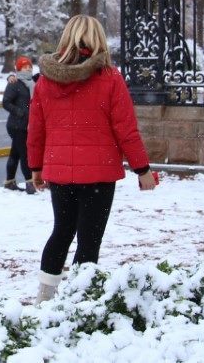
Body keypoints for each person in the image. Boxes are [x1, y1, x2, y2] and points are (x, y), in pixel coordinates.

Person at [26, 15, 157, 303]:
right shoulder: (110, 78)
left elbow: (36, 129)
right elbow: (126, 129)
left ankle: (45, 297)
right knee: (89, 239)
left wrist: (36, 167)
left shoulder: (46, 81)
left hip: (59, 173)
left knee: (61, 231)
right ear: (98, 38)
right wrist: (142, 169)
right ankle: (81, 300)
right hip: (99, 175)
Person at [1, 56, 37, 193]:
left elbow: (45, 75)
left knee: (15, 153)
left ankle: (9, 182)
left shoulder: (32, 82)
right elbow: (6, 102)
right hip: (17, 125)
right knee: (25, 153)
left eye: (29, 66)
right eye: (24, 67)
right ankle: (29, 183)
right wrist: (20, 112)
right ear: (19, 68)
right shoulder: (14, 83)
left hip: (26, 125)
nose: (28, 69)